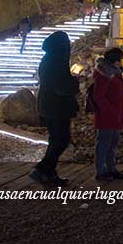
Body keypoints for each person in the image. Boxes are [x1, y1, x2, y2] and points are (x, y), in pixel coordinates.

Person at [30, 31, 79, 186]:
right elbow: (61, 87)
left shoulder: (49, 59)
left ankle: (49, 172)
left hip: (49, 106)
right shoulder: (57, 61)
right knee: (61, 140)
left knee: (56, 140)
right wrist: (75, 82)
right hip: (57, 107)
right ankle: (42, 169)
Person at [92, 48, 123, 182]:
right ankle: (101, 171)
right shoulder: (105, 75)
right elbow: (98, 96)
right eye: (120, 59)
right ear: (115, 61)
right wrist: (111, 110)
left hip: (115, 113)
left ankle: (111, 168)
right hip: (108, 115)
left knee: (111, 144)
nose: (122, 62)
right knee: (104, 144)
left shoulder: (113, 73)